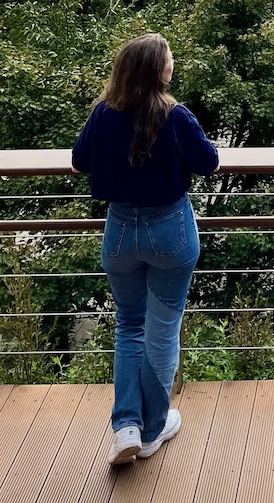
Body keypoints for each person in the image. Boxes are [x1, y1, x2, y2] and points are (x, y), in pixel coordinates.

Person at [72, 33, 219, 466]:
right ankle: (152, 431)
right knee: (162, 327)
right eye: (169, 57)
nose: (173, 61)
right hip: (169, 231)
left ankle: (126, 427)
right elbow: (208, 162)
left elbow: (81, 161)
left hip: (120, 231)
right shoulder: (174, 115)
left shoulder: (104, 113)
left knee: (129, 325)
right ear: (158, 69)